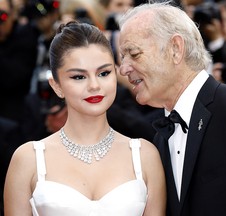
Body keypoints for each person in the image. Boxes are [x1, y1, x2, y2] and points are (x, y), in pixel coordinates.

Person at [118, 2, 226, 215]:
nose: (123, 68)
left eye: (133, 54)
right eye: (122, 58)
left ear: (175, 49)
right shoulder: (162, 138)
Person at [4, 21, 166, 216]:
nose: (94, 85)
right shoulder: (28, 159)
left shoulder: (144, 155)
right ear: (56, 86)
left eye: (104, 73)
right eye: (79, 77)